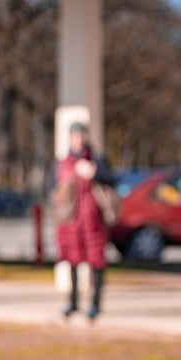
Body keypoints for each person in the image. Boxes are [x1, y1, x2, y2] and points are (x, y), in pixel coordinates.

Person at [53, 122, 117, 322]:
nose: (78, 139)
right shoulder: (63, 162)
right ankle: (73, 303)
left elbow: (112, 180)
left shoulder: (97, 159)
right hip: (71, 219)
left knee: (96, 259)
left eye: (80, 135)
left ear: (85, 138)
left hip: (93, 218)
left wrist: (94, 172)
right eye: (74, 136)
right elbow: (52, 187)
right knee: (72, 258)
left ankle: (95, 304)